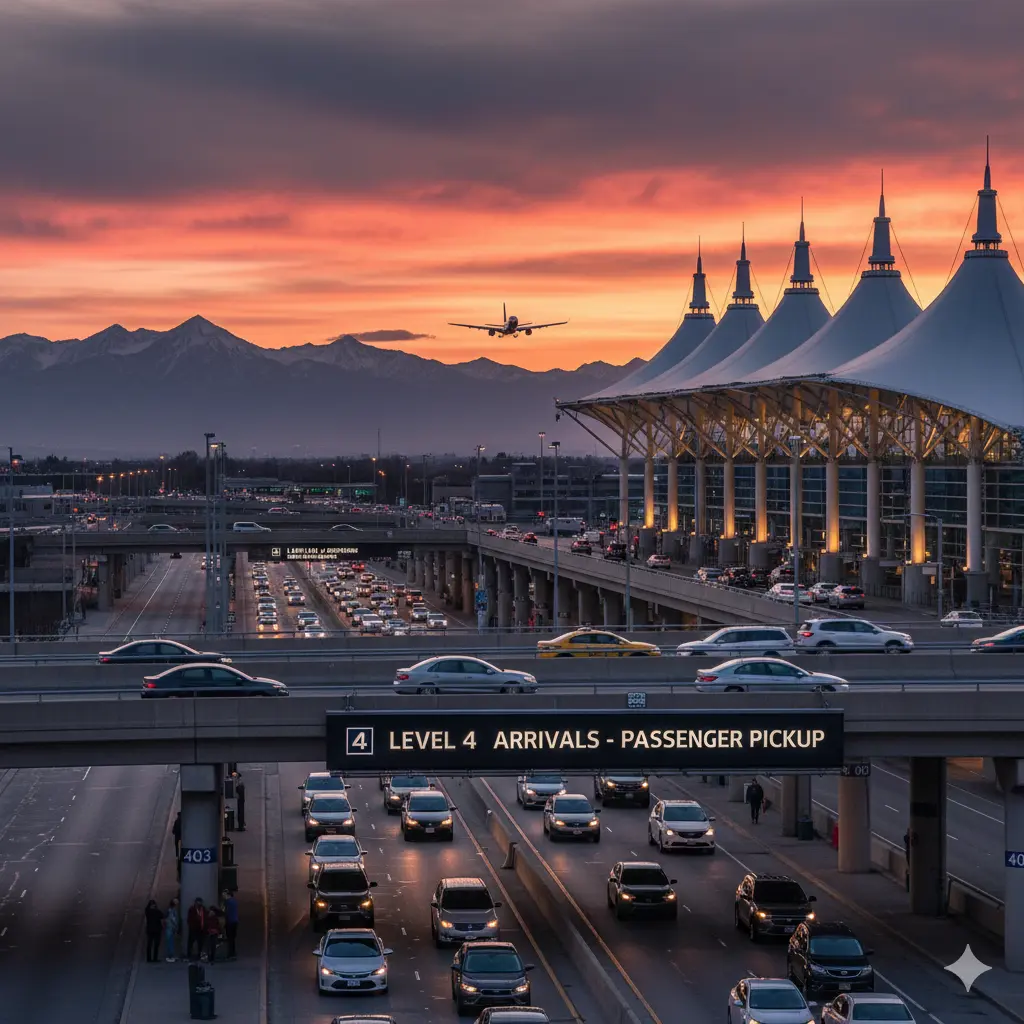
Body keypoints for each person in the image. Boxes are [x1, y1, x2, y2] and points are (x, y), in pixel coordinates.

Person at [186, 897, 206, 961]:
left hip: (201, 928)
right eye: (198, 902)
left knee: (200, 942)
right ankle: (189, 954)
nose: (199, 904)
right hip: (193, 928)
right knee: (191, 942)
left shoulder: (203, 909)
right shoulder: (192, 909)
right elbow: (189, 919)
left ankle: (199, 954)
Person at [222, 890, 239, 959]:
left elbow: (225, 911)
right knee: (233, 938)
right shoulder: (235, 902)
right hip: (235, 921)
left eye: (224, 895)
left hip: (230, 922)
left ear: (228, 895)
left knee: (229, 938)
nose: (223, 896)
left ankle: (230, 953)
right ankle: (233, 952)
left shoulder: (227, 902)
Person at [164, 897, 180, 963]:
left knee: (170, 941)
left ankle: (170, 954)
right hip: (170, 927)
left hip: (170, 927)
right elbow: (172, 919)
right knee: (170, 941)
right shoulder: (172, 910)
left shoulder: (171, 910)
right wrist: (176, 926)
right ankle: (170, 955)